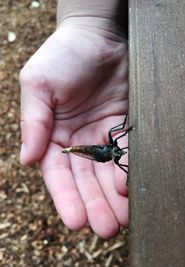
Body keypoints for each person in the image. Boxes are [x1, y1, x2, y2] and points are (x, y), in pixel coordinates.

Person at [19, 0, 128, 239]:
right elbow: (116, 142)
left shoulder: (109, 152)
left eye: (116, 153)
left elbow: (115, 147)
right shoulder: (109, 151)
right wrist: (88, 23)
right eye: (117, 153)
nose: (118, 152)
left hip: (95, 149)